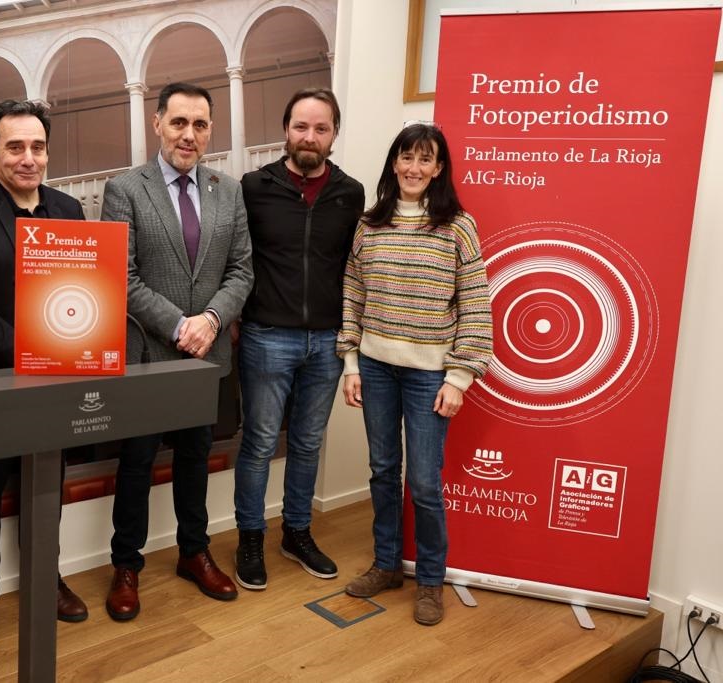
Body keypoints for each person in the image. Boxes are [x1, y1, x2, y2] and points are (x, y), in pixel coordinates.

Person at [0, 100, 89, 661]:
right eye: (15, 147)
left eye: (38, 147)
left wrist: (73, 348)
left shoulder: (69, 209)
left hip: (56, 379)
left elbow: (83, 288)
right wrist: (28, 350)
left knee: (44, 489)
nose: (29, 159)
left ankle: (45, 579)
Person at [100, 82, 253, 621]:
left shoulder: (227, 190)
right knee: (137, 463)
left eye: (201, 125)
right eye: (180, 122)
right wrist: (179, 324)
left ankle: (194, 551)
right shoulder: (125, 189)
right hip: (149, 357)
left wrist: (211, 320)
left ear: (210, 130)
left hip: (206, 355)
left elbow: (241, 271)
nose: (190, 134)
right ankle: (126, 565)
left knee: (196, 459)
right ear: (158, 123)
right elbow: (122, 275)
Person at [338, 123, 492, 626]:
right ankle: (386, 564)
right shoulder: (369, 224)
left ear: (439, 168)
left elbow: (474, 304)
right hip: (377, 368)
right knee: (383, 472)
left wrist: (459, 378)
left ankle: (430, 580)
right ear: (394, 163)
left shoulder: (457, 226)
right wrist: (352, 363)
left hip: (431, 375)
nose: (414, 168)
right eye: (406, 157)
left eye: (425, 160)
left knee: (423, 483)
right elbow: (353, 295)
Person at [232, 88, 364, 590]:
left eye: (321, 128)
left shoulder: (350, 193)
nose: (310, 137)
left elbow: (353, 268)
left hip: (327, 342)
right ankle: (249, 536)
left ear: (333, 134)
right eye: (301, 127)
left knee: (308, 443)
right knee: (262, 443)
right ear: (286, 129)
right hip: (268, 336)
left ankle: (297, 532)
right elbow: (239, 259)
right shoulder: (253, 186)